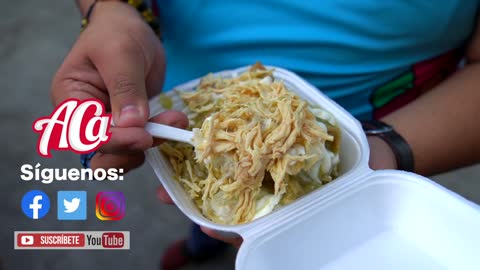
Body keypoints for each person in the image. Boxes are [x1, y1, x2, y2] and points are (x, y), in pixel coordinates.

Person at [51, 0, 480, 269]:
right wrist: (111, 10)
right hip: (185, 122)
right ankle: (203, 246)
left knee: (343, 245)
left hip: (396, 133)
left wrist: (385, 149)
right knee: (217, 220)